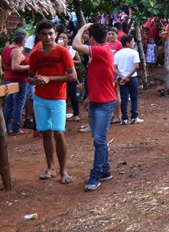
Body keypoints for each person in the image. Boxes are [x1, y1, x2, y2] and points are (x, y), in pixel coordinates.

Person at [28, 21, 77, 184]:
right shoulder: (35, 55)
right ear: (39, 36)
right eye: (44, 34)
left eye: (50, 33)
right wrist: (35, 80)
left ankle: (63, 170)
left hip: (58, 98)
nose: (48, 37)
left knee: (58, 132)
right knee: (46, 133)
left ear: (55, 34)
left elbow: (73, 76)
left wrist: (50, 79)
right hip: (40, 98)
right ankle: (50, 167)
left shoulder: (62, 52)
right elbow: (29, 76)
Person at [72, 23, 117, 192]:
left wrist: (82, 28)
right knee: (99, 139)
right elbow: (99, 77)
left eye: (87, 36)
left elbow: (75, 45)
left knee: (99, 139)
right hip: (97, 101)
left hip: (105, 103)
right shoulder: (101, 52)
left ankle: (96, 175)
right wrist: (90, 96)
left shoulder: (102, 50)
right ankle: (105, 171)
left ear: (91, 38)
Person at [2, 30, 30, 136]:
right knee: (18, 104)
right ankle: (16, 128)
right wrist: (30, 66)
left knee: (9, 104)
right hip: (19, 80)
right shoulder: (16, 51)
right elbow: (15, 67)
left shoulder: (7, 48)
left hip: (8, 78)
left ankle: (7, 127)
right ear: (23, 41)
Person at [114, 35, 142, 125]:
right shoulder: (134, 53)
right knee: (134, 97)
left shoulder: (118, 53)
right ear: (127, 43)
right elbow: (136, 66)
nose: (133, 43)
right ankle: (134, 117)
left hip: (121, 79)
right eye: (132, 42)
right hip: (132, 77)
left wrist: (122, 77)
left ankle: (124, 118)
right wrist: (128, 76)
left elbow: (114, 68)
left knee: (124, 98)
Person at [57, 32, 82, 122]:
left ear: (68, 40)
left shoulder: (72, 50)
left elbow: (79, 61)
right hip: (59, 76)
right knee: (62, 96)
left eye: (64, 37)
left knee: (72, 95)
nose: (62, 39)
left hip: (70, 75)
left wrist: (69, 61)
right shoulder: (56, 49)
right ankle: (62, 114)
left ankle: (76, 114)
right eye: (60, 37)